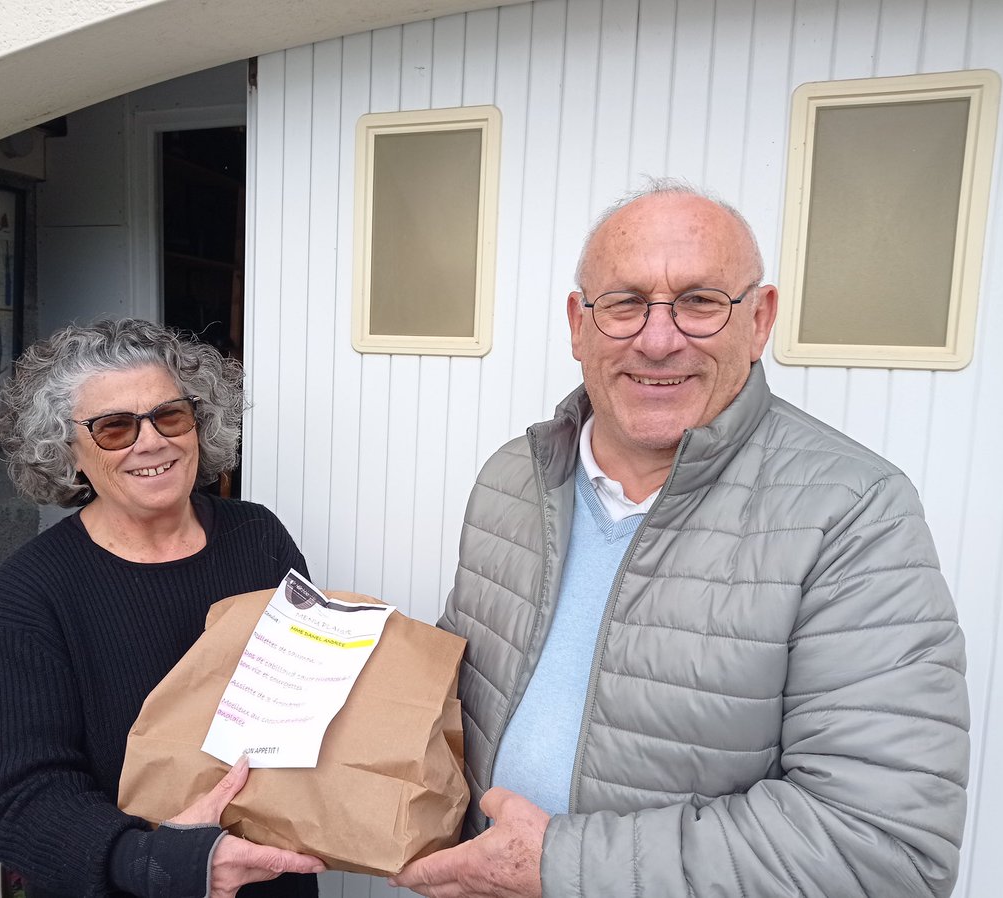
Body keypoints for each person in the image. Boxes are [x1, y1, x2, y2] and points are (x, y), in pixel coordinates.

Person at [391, 180, 969, 898]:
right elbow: (466, 690)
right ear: (579, 323)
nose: (658, 340)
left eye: (700, 302)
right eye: (625, 303)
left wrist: (560, 867)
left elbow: (884, 848)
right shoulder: (514, 477)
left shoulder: (853, 513)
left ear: (759, 320)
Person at [0, 319, 324, 898]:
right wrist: (156, 861)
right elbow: (21, 802)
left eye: (170, 415)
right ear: (68, 452)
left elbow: (311, 700)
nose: (152, 441)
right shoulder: (33, 588)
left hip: (272, 879)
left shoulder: (257, 536)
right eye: (114, 428)